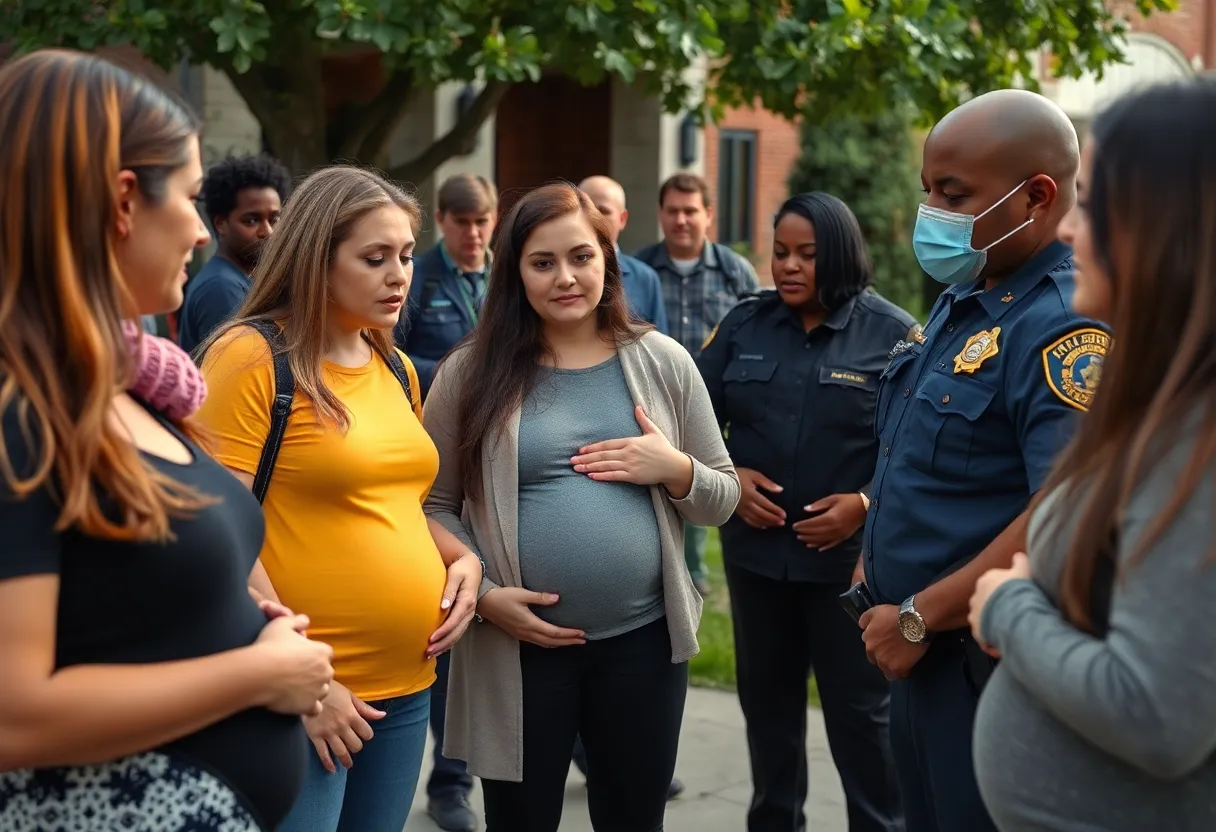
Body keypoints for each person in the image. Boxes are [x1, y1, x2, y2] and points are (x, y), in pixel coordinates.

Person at [0, 50, 333, 832]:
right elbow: (13, 716)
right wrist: (253, 675)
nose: (199, 226)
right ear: (123, 202)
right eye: (189, 196)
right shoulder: (22, 412)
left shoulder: (118, 386)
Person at [422, 183, 740, 832]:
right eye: (543, 262)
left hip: (642, 647)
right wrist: (481, 594)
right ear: (514, 272)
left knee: (633, 818)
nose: (566, 277)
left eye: (581, 257)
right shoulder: (470, 372)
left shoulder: (663, 361)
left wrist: (675, 470)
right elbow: (430, 504)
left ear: (607, 260)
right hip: (519, 650)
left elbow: (724, 498)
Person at [195, 166, 483, 832]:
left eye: (407, 255)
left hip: (407, 687)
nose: (399, 274)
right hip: (304, 694)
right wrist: (306, 683)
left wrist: (459, 557)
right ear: (315, 260)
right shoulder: (250, 357)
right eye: (374, 257)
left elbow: (397, 503)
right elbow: (214, 533)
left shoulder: (394, 365)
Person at [856, 88, 1109, 832]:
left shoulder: (1063, 325)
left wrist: (917, 616)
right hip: (918, 658)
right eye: (928, 189)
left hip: (981, 668)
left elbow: (1067, 513)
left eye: (953, 193)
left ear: (1036, 197)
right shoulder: (971, 295)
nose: (930, 213)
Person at [969, 79, 1216, 832]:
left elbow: (1158, 718)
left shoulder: (1198, 444)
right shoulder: (1160, 408)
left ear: (1162, 229)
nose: (1071, 231)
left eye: (1094, 204)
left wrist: (1007, 607)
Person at [699, 192, 908, 832]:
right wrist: (729, 472)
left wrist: (865, 504)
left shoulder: (895, 335)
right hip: (758, 561)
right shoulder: (745, 324)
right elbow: (694, 419)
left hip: (846, 571)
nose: (787, 267)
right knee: (769, 715)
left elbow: (916, 448)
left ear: (840, 255)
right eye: (781, 251)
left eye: (807, 255)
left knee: (860, 720)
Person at [636, 173, 758, 596]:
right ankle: (659, 569)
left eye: (691, 211)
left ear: (707, 214)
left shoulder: (734, 272)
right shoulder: (640, 270)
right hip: (650, 398)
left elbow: (754, 332)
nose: (682, 220)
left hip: (713, 399)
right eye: (673, 211)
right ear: (660, 215)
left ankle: (695, 574)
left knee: (705, 474)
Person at [394, 173, 497, 400]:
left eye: (481, 221)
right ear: (440, 219)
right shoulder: (412, 276)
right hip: (435, 411)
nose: (472, 233)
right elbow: (389, 353)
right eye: (461, 221)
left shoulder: (512, 276)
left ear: (495, 219)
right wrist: (444, 373)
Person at [178, 153, 293, 354]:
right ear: (221, 223)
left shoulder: (240, 279)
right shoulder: (222, 288)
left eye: (274, 219)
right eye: (251, 220)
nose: (267, 231)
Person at [578, 175, 668, 332]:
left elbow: (660, 347)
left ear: (622, 219)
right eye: (587, 210)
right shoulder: (563, 275)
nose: (594, 218)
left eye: (603, 211)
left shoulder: (645, 278)